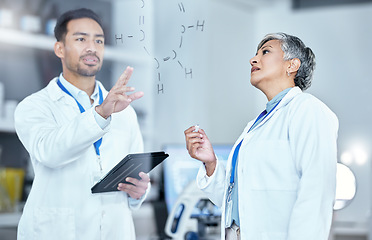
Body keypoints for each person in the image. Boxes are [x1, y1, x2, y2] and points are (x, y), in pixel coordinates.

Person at [184, 32, 338, 240]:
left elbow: (316, 191)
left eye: (265, 52)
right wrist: (211, 163)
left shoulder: (307, 110)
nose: (253, 59)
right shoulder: (259, 123)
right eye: (256, 54)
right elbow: (241, 199)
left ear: (292, 65)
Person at [14, 8, 150, 240]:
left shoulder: (125, 112)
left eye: (99, 40)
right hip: (57, 232)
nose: (91, 47)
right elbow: (51, 152)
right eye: (80, 39)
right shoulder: (35, 106)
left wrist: (138, 192)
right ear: (60, 49)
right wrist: (100, 114)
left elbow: (135, 173)